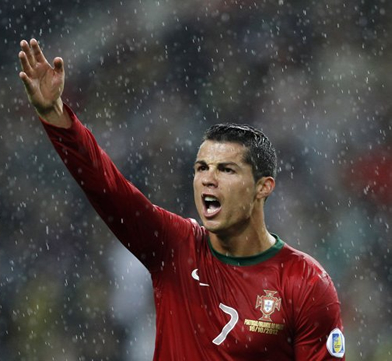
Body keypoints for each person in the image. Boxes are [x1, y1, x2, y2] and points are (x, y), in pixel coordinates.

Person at [18, 38, 345, 360]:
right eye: (201, 168)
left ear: (263, 187)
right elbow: (108, 187)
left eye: (226, 170)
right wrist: (57, 116)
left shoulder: (304, 282)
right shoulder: (176, 247)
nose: (208, 180)